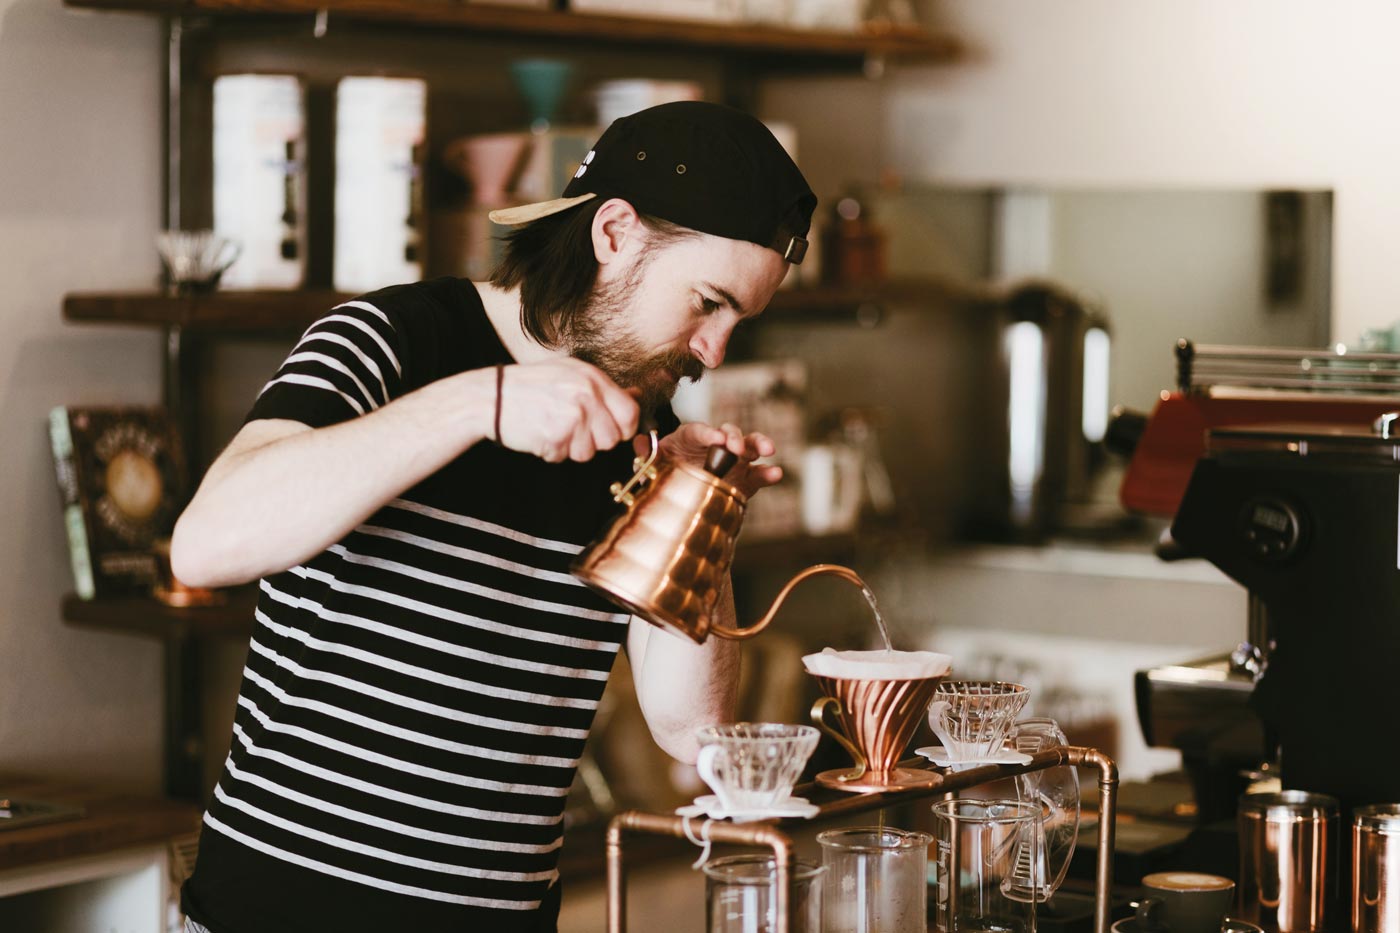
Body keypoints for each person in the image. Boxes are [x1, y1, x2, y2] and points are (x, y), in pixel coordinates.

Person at [172, 100, 817, 932]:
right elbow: (205, 543)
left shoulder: (641, 432)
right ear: (614, 233)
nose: (714, 350)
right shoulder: (394, 338)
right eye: (706, 302)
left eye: (737, 320)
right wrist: (479, 404)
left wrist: (702, 514)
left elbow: (691, 731)